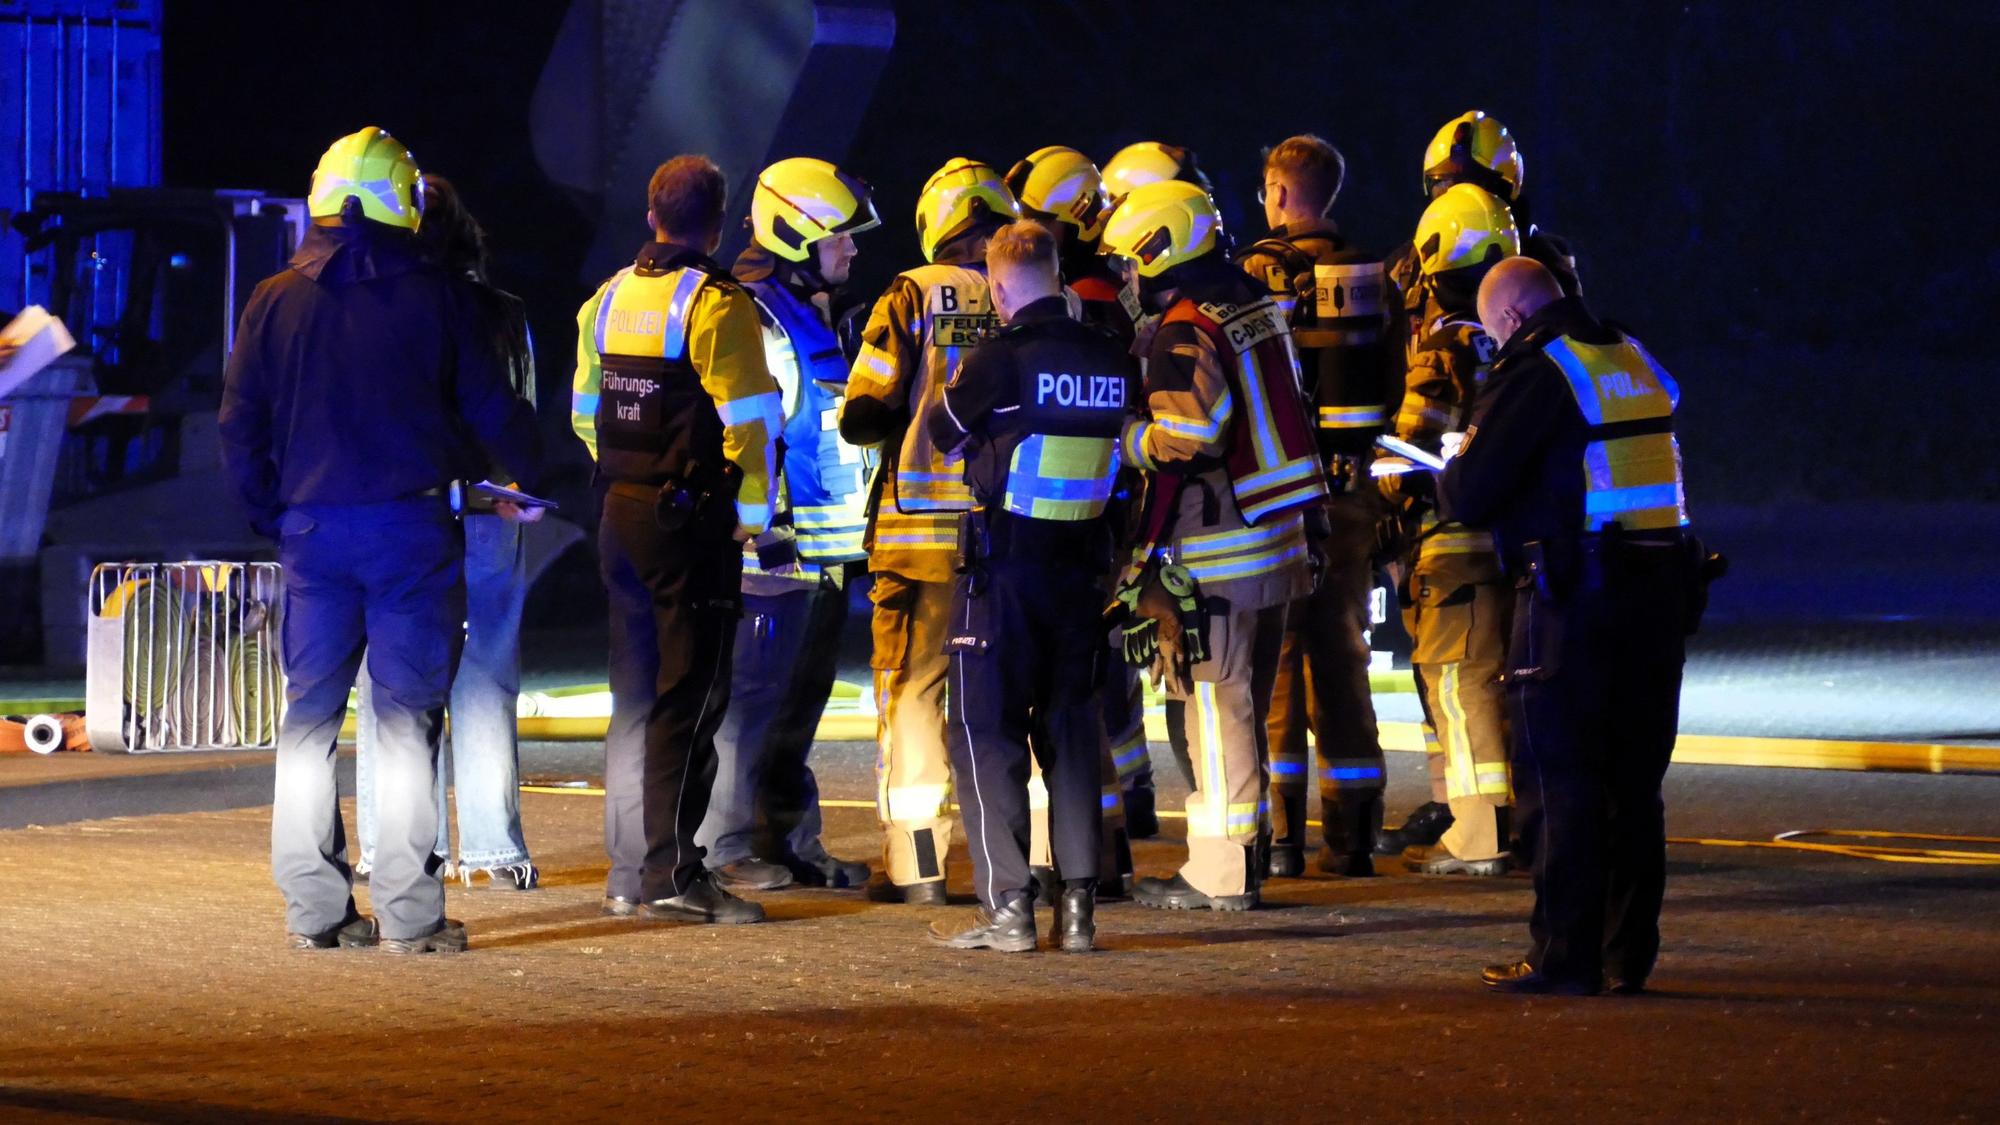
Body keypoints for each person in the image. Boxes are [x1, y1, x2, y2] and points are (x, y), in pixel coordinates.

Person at [220, 126, 543, 953]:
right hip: (408, 529)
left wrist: (274, 510)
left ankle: (315, 911)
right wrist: (541, 470)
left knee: (309, 719)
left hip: (311, 531)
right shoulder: (436, 293)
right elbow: (491, 409)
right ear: (401, 198)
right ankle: (407, 915)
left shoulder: (270, 300)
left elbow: (240, 422)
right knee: (403, 718)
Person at [1440, 256, 1701, 994]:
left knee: (1561, 780)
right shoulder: (1630, 353)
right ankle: (1626, 954)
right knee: (1634, 782)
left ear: (1513, 320)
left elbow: (1470, 490)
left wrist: (1458, 451)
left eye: (1495, 333)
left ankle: (1563, 954)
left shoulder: (1536, 369)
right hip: (1658, 589)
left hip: (1574, 597)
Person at [1102, 180, 1325, 912]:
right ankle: (1245, 852)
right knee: (1247, 706)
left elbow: (1192, 435)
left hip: (1222, 542)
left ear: (1157, 248)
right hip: (1279, 534)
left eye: (1131, 264)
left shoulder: (1185, 327)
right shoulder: (1250, 303)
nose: (1129, 280)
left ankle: (1222, 869)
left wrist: (1130, 438)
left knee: (1215, 706)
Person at [573, 154, 783, 924]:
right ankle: (672, 872)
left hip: (619, 514)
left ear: (650, 213)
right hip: (688, 521)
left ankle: (630, 871)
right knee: (689, 696)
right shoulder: (717, 305)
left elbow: (582, 411)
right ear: (719, 223)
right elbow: (753, 423)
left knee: (634, 694)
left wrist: (624, 475)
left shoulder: (606, 298)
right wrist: (751, 516)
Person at [924, 219, 1138, 952]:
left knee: (985, 732)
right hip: (1083, 571)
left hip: (1003, 571)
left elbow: (940, 432)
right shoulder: (1113, 356)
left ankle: (1008, 908)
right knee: (1073, 732)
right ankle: (1078, 911)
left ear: (998, 282)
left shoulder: (998, 359)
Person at [1378, 108, 1581, 856]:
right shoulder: (1544, 279)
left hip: (1455, 508)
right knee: (1474, 669)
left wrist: (1392, 493)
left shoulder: (1454, 286)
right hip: (1509, 509)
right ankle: (1473, 806)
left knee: (1462, 670)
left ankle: (1482, 824)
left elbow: (1422, 398)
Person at [352, 174, 541, 894]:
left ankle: (386, 844)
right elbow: (519, 405)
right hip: (492, 507)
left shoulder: (380, 311)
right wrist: (519, 480)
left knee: (391, 680)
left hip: (403, 509)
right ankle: (494, 850)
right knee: (486, 674)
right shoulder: (503, 312)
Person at [693, 156, 879, 891]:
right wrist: (762, 527)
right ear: (797, 233)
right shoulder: (757, 315)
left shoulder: (807, 310)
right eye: (842, 236)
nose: (854, 249)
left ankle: (790, 839)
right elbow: (746, 432)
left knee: (797, 708)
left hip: (827, 553)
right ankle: (725, 847)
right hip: (772, 553)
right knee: (748, 705)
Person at [839, 158, 1018, 905]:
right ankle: (1024, 860)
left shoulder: (912, 292)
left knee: (912, 692)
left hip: (919, 537)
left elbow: (864, 411)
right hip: (1011, 534)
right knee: (1013, 695)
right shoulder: (1035, 290)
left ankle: (918, 866)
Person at [1233, 134, 1398, 878]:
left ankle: (1280, 841)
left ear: (1277, 194)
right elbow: (1396, 378)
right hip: (1354, 489)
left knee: (1275, 666)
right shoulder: (1373, 273)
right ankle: (1353, 838)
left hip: (1280, 498)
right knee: (1344, 660)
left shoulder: (1254, 274)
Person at [1005, 144, 1152, 869]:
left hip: (1050, 529)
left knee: (1063, 700)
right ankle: (1110, 836)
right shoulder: (1108, 300)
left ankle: (1083, 852)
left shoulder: (1074, 308)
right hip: (1104, 516)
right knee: (1095, 685)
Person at [1377, 183, 1521, 878]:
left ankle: (1477, 834)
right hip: (1508, 543)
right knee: (1496, 684)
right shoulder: (1516, 347)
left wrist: (1382, 494)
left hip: (1450, 543)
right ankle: (1503, 823)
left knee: (1461, 690)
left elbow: (1409, 450)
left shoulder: (1441, 351)